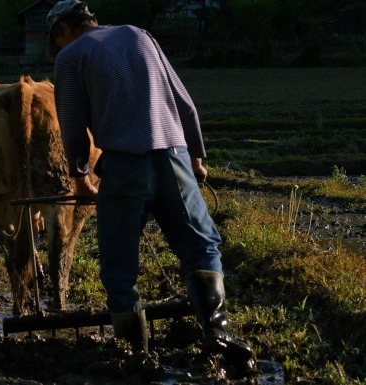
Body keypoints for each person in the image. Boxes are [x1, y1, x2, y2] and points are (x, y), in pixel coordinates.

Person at [47, 0, 255, 368]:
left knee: (118, 265)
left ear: (63, 29)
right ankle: (218, 333)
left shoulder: (71, 56)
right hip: (174, 156)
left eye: (56, 39)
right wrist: (196, 159)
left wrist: (79, 178)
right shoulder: (139, 34)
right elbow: (184, 102)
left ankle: (135, 356)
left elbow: (74, 125)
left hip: (125, 165)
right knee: (202, 246)